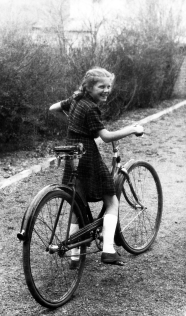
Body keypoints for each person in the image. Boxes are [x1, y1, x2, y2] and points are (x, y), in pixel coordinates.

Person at [49, 67, 143, 268]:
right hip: (88, 157)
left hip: (72, 154)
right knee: (112, 200)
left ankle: (75, 257)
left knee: (77, 205)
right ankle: (108, 250)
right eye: (102, 86)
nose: (106, 90)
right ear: (89, 87)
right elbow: (106, 137)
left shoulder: (75, 99)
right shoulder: (90, 108)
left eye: (109, 86)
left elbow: (53, 108)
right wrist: (131, 129)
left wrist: (73, 126)